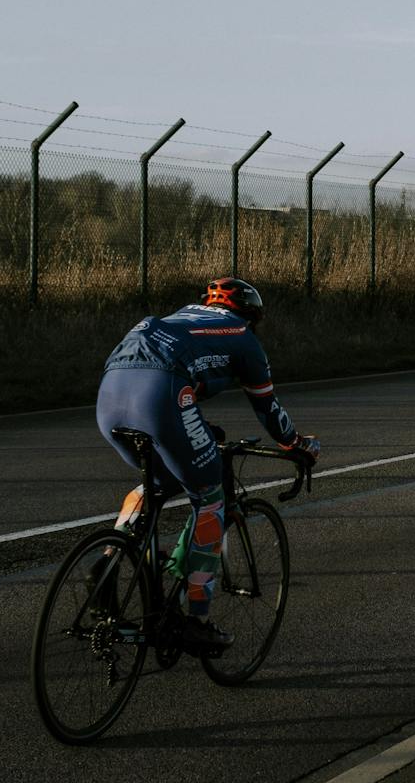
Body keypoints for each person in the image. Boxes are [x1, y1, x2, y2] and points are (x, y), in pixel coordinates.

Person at [95, 277, 319, 652]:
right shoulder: (244, 337)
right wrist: (297, 444)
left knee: (157, 482)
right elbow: (267, 409)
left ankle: (108, 562)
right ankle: (195, 619)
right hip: (160, 393)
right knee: (209, 496)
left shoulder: (182, 318)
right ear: (251, 314)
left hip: (110, 391)